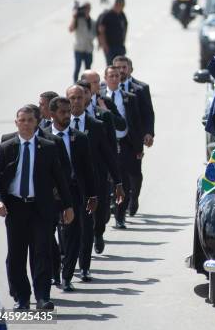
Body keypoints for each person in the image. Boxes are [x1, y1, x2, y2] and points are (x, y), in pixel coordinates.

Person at [0, 106, 74, 310]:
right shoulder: (7, 147)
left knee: (42, 252)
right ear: (16, 122)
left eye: (29, 120)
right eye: (22, 120)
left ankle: (43, 296)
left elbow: (60, 179)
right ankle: (22, 297)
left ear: (36, 123)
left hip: (41, 208)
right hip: (16, 207)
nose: (25, 124)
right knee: (17, 255)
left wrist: (68, 206)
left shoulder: (48, 146)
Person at [66, 85, 124, 273]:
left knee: (88, 226)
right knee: (69, 228)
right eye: (72, 98)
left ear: (87, 100)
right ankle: (66, 264)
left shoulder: (96, 125)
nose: (76, 102)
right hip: (65, 186)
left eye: (79, 98)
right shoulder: (58, 127)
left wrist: (118, 182)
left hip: (91, 184)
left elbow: (108, 155)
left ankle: (84, 267)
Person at [44, 97, 96, 292]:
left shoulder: (80, 138)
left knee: (74, 234)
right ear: (52, 114)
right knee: (49, 236)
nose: (67, 115)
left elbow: (88, 169)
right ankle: (54, 272)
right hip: (49, 195)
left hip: (73, 192)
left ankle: (67, 277)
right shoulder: (43, 136)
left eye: (69, 111)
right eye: (63, 112)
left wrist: (92, 196)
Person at [101, 66, 143, 229]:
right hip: (106, 144)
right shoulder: (100, 98)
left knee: (123, 180)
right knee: (107, 180)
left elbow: (136, 122)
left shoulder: (129, 97)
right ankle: (107, 208)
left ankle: (120, 216)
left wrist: (138, 147)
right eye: (110, 76)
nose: (114, 78)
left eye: (117, 76)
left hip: (125, 143)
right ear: (105, 78)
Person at [112, 56, 154, 216]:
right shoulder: (105, 90)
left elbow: (148, 113)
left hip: (133, 139)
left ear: (130, 69)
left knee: (134, 172)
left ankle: (133, 198)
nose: (121, 70)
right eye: (118, 67)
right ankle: (116, 202)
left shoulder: (140, 88)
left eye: (124, 67)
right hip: (113, 139)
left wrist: (149, 133)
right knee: (113, 171)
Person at [68, 2, 95, 82]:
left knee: (88, 70)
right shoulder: (78, 20)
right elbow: (70, 29)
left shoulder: (92, 22)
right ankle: (75, 85)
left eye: (88, 9)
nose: (87, 11)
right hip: (79, 48)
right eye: (85, 9)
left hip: (88, 49)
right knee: (77, 68)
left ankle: (86, 85)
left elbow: (95, 34)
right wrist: (74, 16)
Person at [98, 0, 128, 66]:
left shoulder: (122, 15)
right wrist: (104, 45)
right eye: (122, 5)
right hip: (110, 47)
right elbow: (101, 30)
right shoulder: (107, 15)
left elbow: (125, 27)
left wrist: (123, 41)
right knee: (111, 68)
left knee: (121, 68)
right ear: (117, 4)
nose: (123, 8)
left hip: (120, 46)